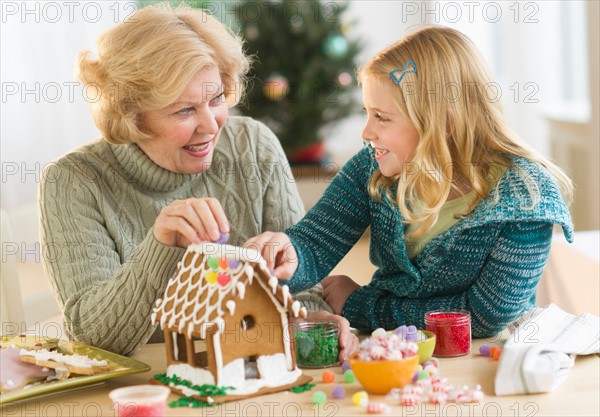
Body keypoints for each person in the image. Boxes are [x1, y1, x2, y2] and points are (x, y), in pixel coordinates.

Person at [39, 2, 357, 358]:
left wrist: (308, 318)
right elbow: (93, 341)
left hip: (246, 380)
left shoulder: (254, 146)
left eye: (217, 98)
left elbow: (300, 288)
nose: (211, 125)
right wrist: (160, 248)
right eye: (185, 109)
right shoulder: (73, 182)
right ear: (133, 116)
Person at [247, 26, 574, 337]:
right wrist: (289, 252)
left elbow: (486, 316)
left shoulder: (526, 196)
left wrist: (362, 306)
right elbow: (315, 243)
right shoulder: (372, 168)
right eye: (367, 113)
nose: (366, 132)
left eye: (382, 118)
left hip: (487, 365)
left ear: (443, 121)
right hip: (400, 357)